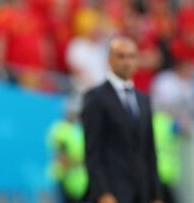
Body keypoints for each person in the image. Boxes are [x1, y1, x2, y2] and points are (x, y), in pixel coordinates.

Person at [81, 37, 162, 203]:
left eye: (132, 56)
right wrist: (103, 193)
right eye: (121, 56)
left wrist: (156, 194)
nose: (127, 62)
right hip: (113, 192)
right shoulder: (96, 98)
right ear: (109, 60)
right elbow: (93, 152)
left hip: (142, 192)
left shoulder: (143, 100)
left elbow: (150, 151)